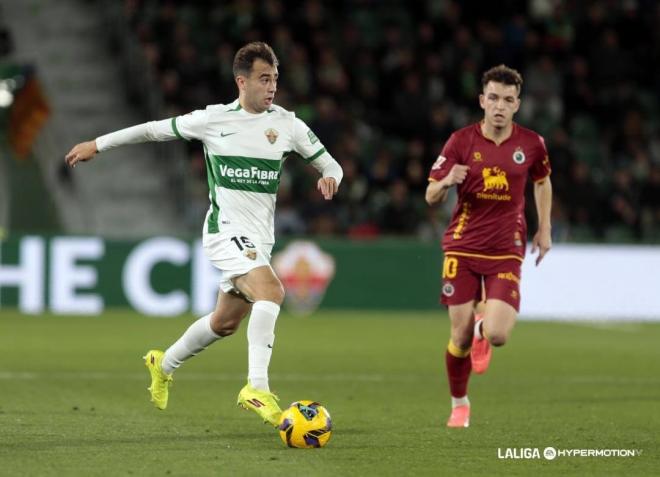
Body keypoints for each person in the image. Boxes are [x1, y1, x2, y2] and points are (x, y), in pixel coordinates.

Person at [65, 42, 343, 427]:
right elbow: (152, 130)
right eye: (264, 79)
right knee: (273, 292)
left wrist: (331, 176)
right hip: (224, 232)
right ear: (241, 81)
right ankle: (256, 387)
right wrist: (97, 144)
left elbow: (331, 163)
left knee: (224, 323)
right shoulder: (213, 120)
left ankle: (162, 364)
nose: (272, 86)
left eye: (275, 78)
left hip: (259, 240)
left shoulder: (288, 125)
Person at [425, 65, 552, 428]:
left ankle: (483, 330)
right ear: (482, 100)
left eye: (508, 100)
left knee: (497, 335)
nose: (499, 106)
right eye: (493, 98)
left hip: (505, 250)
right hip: (462, 248)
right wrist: (447, 180)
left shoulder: (531, 144)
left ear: (517, 105)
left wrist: (544, 228)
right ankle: (459, 404)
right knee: (459, 337)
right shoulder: (461, 141)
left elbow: (542, 183)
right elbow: (430, 194)